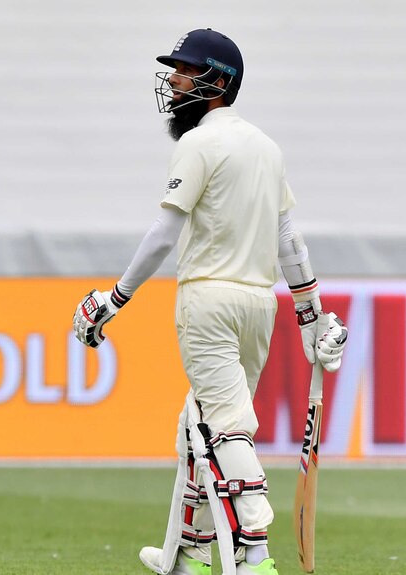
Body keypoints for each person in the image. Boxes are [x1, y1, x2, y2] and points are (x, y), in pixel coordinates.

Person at [72, 28, 347, 575]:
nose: (173, 81)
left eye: (185, 71)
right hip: (258, 305)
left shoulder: (196, 144)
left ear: (217, 82)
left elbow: (163, 234)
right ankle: (191, 553)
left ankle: (257, 556)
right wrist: (311, 317)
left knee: (225, 425)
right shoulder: (268, 149)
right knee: (196, 424)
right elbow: (289, 242)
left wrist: (115, 298)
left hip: (208, 303)